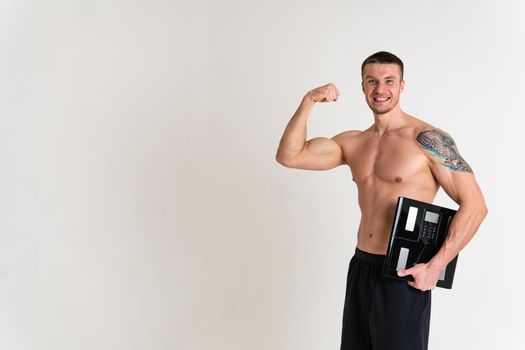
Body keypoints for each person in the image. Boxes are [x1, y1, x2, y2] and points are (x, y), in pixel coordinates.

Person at [275, 51, 488, 350]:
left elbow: (476, 206)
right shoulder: (353, 142)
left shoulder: (427, 140)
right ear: (362, 87)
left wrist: (434, 266)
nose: (380, 89)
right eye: (372, 81)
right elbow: (289, 155)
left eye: (389, 80)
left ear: (402, 85)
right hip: (361, 265)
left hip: (402, 273)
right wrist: (308, 101)